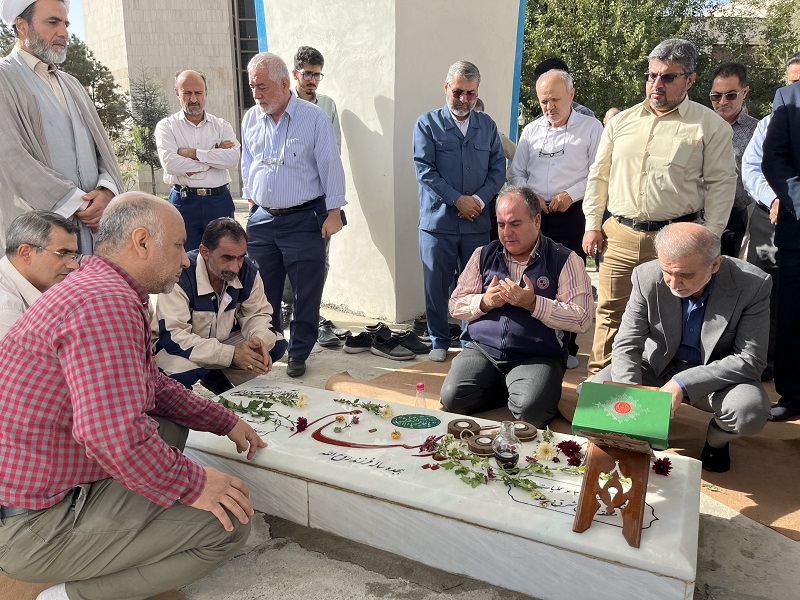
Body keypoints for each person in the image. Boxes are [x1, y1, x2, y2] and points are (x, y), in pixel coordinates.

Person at [0, 192, 266, 600]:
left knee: (168, 425)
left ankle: (114, 535)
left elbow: (151, 385)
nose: (184, 259)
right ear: (142, 242)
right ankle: (65, 595)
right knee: (227, 523)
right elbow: (110, 434)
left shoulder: (100, 284)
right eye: (178, 245)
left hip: (42, 488)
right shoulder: (106, 302)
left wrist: (223, 420)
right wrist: (196, 484)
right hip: (35, 525)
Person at [582, 38, 737, 376]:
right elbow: (599, 177)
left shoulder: (709, 126)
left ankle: (663, 387)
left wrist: (706, 240)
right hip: (619, 235)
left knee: (670, 315)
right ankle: (601, 385)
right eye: (651, 75)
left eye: (668, 77)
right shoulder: (620, 122)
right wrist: (592, 223)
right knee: (610, 311)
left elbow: (722, 185)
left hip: (676, 238)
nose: (656, 84)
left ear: (690, 79)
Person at [592, 223, 771, 472]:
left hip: (716, 377)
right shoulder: (646, 276)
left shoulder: (753, 285)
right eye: (667, 271)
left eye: (686, 275)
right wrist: (632, 398)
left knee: (749, 411)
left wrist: (682, 384)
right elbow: (627, 342)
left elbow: (750, 360)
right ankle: (643, 434)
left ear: (715, 264)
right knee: (595, 395)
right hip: (656, 366)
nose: (674, 283)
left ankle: (716, 441)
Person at [441, 186, 592, 426]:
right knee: (452, 398)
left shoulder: (565, 259)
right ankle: (513, 388)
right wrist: (485, 301)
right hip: (484, 350)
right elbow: (455, 305)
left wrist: (533, 303)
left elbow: (582, 318)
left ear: (537, 220)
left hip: (537, 355)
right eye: (501, 225)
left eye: (515, 224)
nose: (507, 233)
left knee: (532, 411)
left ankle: (526, 389)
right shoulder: (483, 254)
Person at [241, 52, 346, 378]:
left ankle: (299, 352)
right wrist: (251, 200)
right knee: (262, 292)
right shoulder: (250, 118)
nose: (256, 93)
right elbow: (248, 161)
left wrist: (335, 212)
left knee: (306, 292)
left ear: (285, 84)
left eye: (262, 86)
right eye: (252, 86)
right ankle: (272, 347)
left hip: (304, 218)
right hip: (263, 220)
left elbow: (331, 165)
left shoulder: (313, 118)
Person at [0, 0, 122, 253]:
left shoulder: (72, 84)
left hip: (94, 232)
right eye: (52, 22)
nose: (64, 33)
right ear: (21, 26)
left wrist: (106, 190)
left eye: (66, 23)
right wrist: (77, 203)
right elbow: (10, 156)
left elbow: (102, 151)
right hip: (39, 238)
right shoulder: (4, 77)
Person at [509, 69, 603, 369]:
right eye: (543, 100)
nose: (549, 106)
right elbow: (516, 173)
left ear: (571, 95)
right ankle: (534, 340)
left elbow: (599, 173)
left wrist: (571, 194)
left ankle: (569, 345)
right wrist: (531, 193)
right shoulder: (532, 131)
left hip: (571, 213)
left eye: (555, 99)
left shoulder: (591, 128)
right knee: (532, 275)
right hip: (534, 214)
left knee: (570, 280)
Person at [413, 60, 506, 362]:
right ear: (446, 88)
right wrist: (457, 200)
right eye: (458, 92)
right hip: (438, 223)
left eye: (471, 93)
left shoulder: (487, 126)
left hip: (476, 223)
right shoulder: (427, 124)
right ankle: (439, 339)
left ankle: (471, 340)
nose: (464, 99)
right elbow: (425, 170)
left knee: (474, 286)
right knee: (436, 285)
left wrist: (477, 200)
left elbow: (497, 169)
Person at [154, 217, 286, 394]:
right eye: (227, 258)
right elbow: (175, 336)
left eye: (240, 257)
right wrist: (231, 355)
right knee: (176, 375)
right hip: (180, 347)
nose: (235, 267)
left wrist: (257, 340)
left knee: (274, 344)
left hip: (222, 341)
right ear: (205, 252)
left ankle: (216, 376)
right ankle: (185, 397)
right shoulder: (180, 275)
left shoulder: (247, 271)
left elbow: (257, 314)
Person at [740, 52, 800, 382]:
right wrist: (778, 197)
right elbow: (753, 168)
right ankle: (771, 369)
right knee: (774, 298)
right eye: (793, 81)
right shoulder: (770, 121)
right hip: (772, 218)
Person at [289, 45, 342, 346]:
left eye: (317, 74)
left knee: (319, 257)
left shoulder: (328, 106)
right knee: (287, 256)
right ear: (295, 74)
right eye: (307, 74)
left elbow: (332, 153)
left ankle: (312, 312)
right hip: (290, 197)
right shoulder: (284, 104)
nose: (312, 80)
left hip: (319, 198)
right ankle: (287, 307)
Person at [155, 69, 241, 252]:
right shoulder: (166, 127)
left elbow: (233, 159)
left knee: (223, 259)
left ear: (206, 93)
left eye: (198, 93)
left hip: (219, 202)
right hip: (184, 202)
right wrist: (214, 155)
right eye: (187, 93)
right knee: (184, 262)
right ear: (177, 93)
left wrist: (193, 153)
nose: (193, 99)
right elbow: (170, 164)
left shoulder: (221, 126)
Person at [762, 67, 800, 421]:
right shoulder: (789, 97)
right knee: (792, 315)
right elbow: (773, 158)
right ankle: (793, 394)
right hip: (798, 231)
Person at [0, 210, 79, 336]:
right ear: (26, 253)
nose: (74, 265)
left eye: (74, 255)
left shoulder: (46, 284)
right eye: (63, 253)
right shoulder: (6, 309)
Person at [709, 62, 758, 257]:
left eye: (730, 95)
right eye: (716, 95)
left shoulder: (757, 131)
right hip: (695, 214)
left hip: (734, 216)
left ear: (744, 92)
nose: (722, 101)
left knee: (723, 274)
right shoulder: (699, 125)